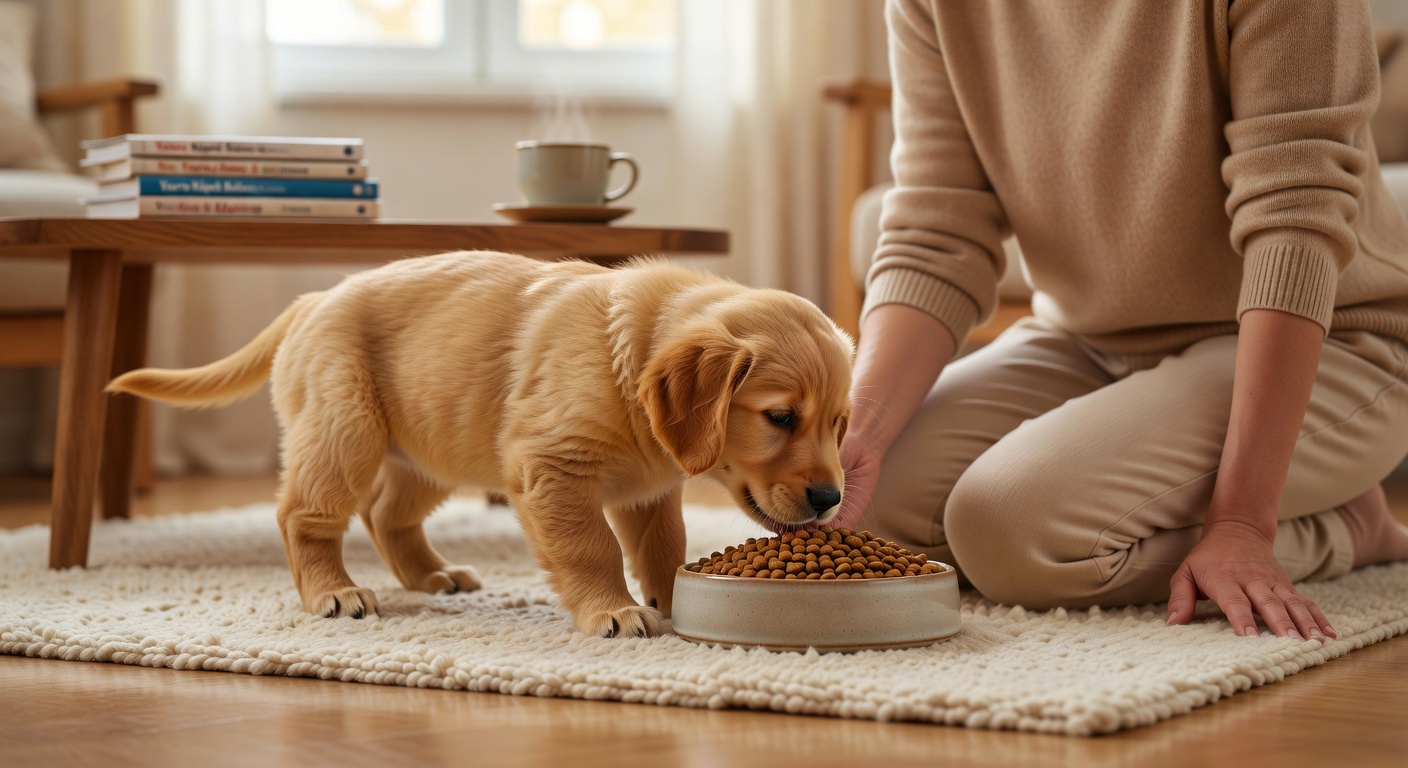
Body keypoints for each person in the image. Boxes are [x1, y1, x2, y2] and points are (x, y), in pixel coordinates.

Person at [834, 0, 1408, 640]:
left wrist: (1243, 522)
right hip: (1084, 342)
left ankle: (1346, 529)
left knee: (1007, 531)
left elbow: (1295, 218)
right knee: (869, 504)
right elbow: (935, 233)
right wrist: (861, 426)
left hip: (1338, 342)